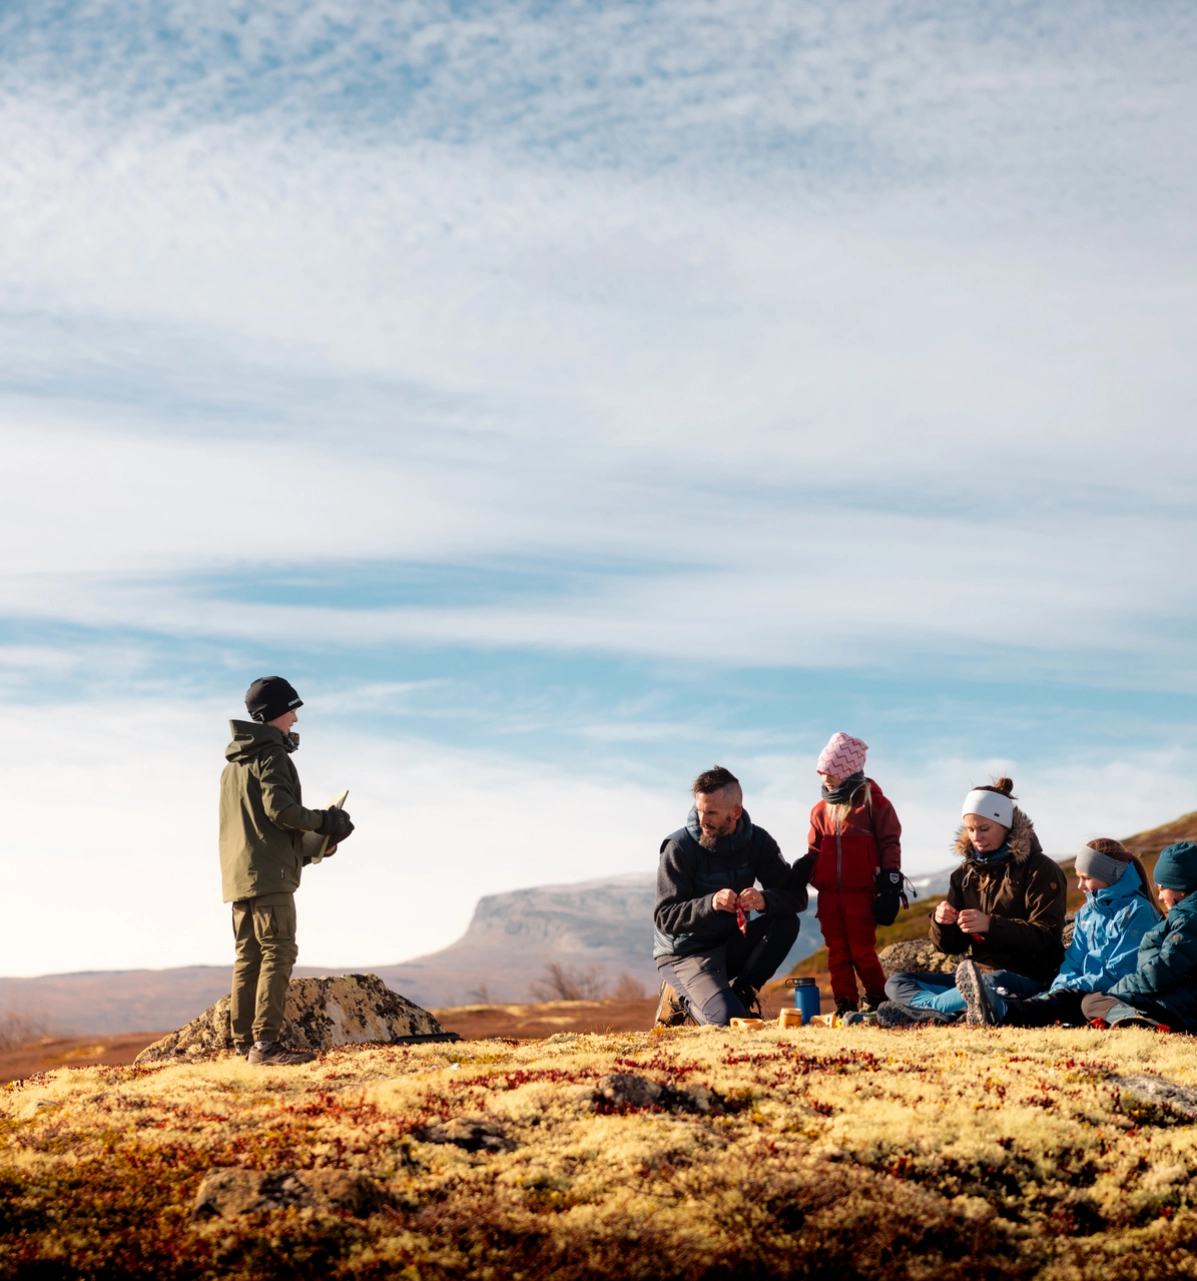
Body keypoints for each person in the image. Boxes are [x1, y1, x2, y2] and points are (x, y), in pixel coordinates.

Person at [220, 676, 354, 1066]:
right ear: (274, 713)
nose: (295, 718)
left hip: (239, 875)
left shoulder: (232, 766)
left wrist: (315, 846)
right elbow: (280, 812)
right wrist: (325, 820)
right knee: (278, 952)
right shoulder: (271, 755)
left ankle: (244, 1043)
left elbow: (257, 827)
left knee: (248, 956)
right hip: (270, 877)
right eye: (292, 709)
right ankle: (265, 1046)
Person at [879, 778, 1066, 1027]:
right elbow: (950, 946)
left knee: (989, 983)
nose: (976, 837)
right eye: (970, 829)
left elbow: (1047, 939)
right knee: (897, 982)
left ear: (1005, 825)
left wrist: (991, 924)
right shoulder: (964, 874)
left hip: (1028, 977)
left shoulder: (1041, 870)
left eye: (984, 829)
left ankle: (931, 1012)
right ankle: (951, 1010)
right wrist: (941, 923)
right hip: (976, 975)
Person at [653, 766, 804, 1027]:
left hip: (731, 943)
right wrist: (709, 904)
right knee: (727, 1022)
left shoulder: (758, 841)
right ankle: (678, 996)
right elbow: (664, 918)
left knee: (787, 922)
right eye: (700, 810)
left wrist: (764, 900)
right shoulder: (678, 847)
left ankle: (742, 994)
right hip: (686, 954)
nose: (702, 820)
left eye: (711, 812)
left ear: (736, 812)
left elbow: (796, 897)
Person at [956, 838, 1161, 1026]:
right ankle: (983, 1010)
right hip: (1080, 989)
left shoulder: (1138, 911)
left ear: (1110, 875)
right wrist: (1061, 985)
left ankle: (1001, 1011)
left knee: (1064, 1001)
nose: (1080, 885)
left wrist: (1070, 987)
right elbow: (1074, 960)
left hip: (1111, 992)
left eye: (1086, 878)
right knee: (1049, 998)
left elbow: (1121, 971)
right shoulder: (1087, 912)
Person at [790, 733, 903, 1017]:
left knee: (862, 950)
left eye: (832, 771)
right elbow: (815, 848)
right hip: (828, 895)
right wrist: (805, 866)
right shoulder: (819, 811)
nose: (825, 777)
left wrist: (890, 883)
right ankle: (845, 1003)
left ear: (849, 771)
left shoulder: (875, 805)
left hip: (861, 893)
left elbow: (890, 842)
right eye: (822, 771)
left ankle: (878, 998)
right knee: (837, 951)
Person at [1080, 841, 1197, 1031]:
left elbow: (1160, 972)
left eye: (1162, 888)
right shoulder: (1184, 918)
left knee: (1092, 1002)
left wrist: (1116, 992)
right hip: (1173, 1002)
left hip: (1178, 1011)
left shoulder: (1189, 920)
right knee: (1093, 1002)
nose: (1159, 897)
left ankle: (1137, 1021)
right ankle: (1133, 1019)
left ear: (1181, 887)